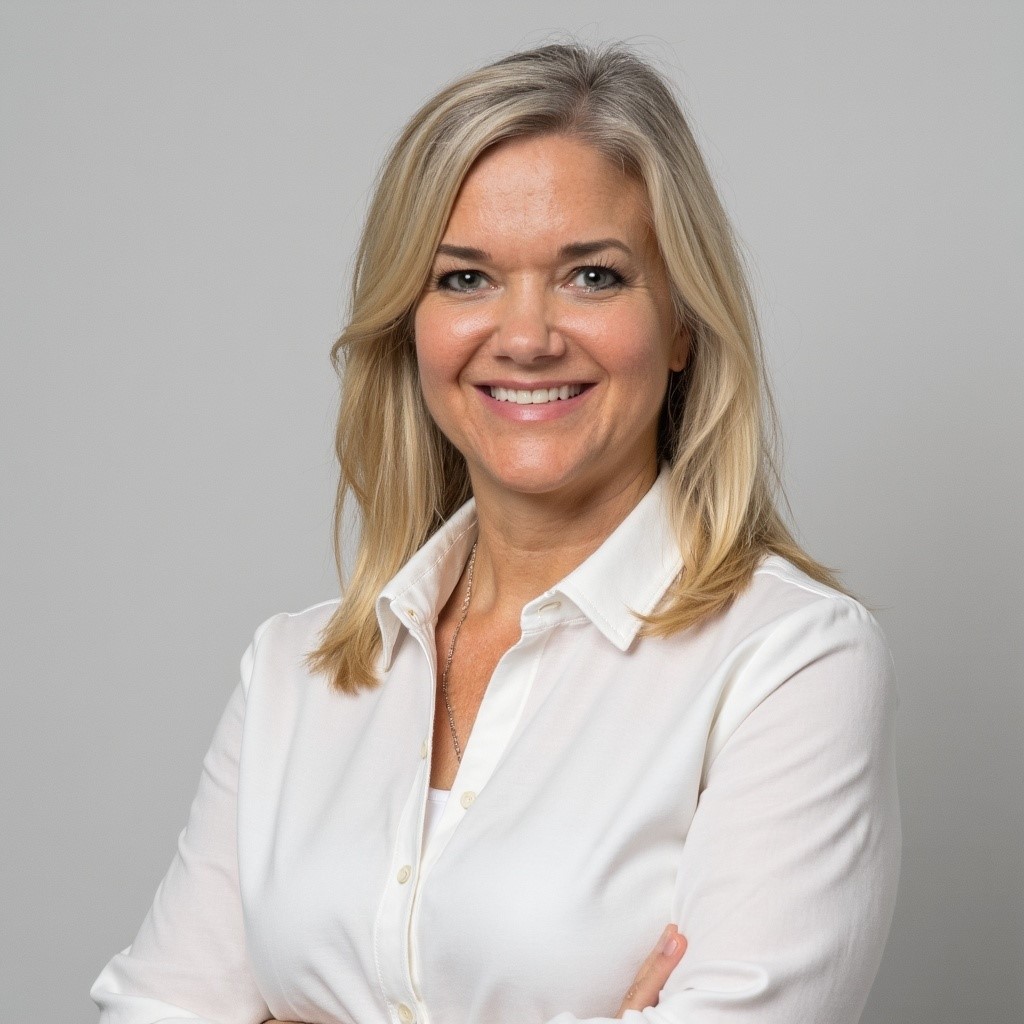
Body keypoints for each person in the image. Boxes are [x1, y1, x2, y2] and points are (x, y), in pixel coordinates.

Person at [91, 42, 900, 1024]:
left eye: (592, 276)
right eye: (466, 278)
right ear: (411, 324)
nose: (524, 338)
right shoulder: (293, 675)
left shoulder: (790, 659)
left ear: (682, 321)